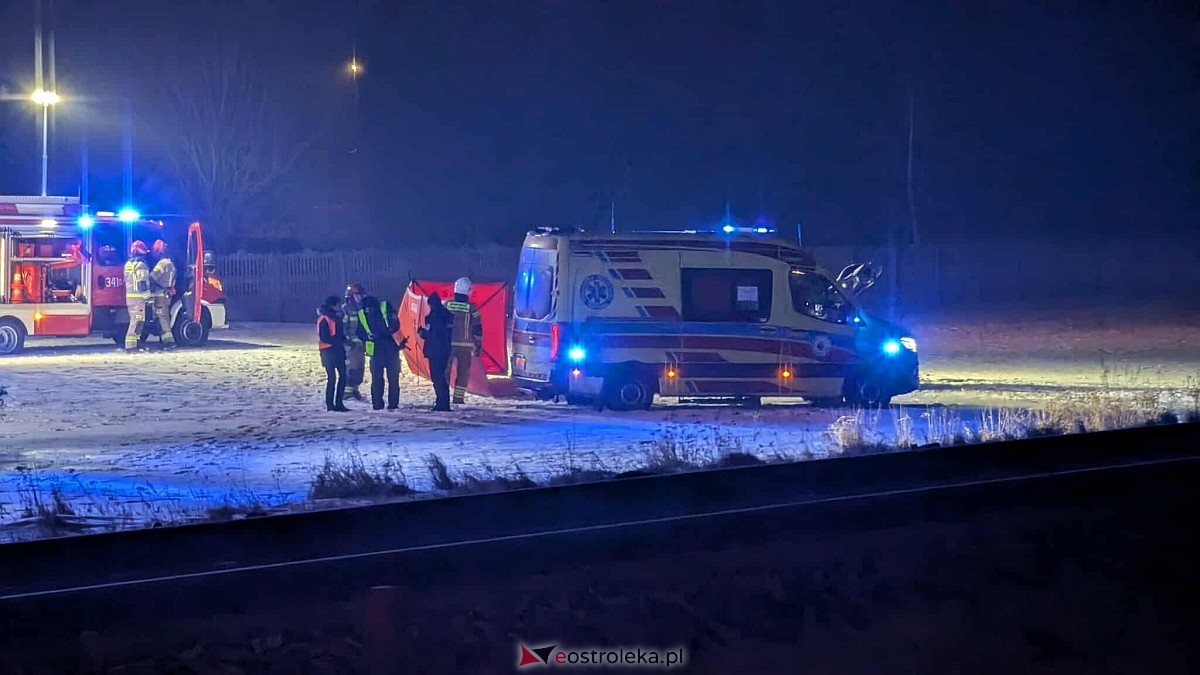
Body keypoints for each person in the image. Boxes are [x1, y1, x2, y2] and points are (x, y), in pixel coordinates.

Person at [356, 295, 409, 410]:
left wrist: (369, 337)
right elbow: (396, 325)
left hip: (376, 350)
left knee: (377, 380)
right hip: (391, 349)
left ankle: (377, 405)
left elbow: (359, 332)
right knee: (393, 379)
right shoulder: (385, 307)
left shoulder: (361, 313)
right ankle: (393, 404)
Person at [445, 277, 483, 405]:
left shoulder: (447, 305)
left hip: (448, 344)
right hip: (465, 346)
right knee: (463, 373)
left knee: (445, 371)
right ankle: (458, 399)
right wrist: (478, 344)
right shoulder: (472, 309)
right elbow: (477, 329)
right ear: (468, 291)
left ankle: (443, 396)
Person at [418, 293, 454, 411]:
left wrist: (421, 332)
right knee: (441, 376)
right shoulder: (448, 315)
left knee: (437, 377)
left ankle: (441, 403)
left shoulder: (433, 316)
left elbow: (430, 334)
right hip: (445, 350)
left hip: (435, 351)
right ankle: (444, 402)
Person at [318, 295, 349, 412]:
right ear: (333, 305)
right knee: (332, 378)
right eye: (338, 304)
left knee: (342, 376)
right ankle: (330, 405)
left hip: (337, 350)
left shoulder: (336, 317)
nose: (340, 306)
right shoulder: (325, 318)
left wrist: (344, 340)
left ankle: (339, 403)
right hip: (328, 351)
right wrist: (339, 341)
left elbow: (338, 333)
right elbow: (324, 337)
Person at [122, 240, 152, 353]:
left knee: (137, 320)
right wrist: (148, 298)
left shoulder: (128, 264)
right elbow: (142, 283)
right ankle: (131, 346)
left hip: (130, 297)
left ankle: (136, 343)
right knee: (137, 321)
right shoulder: (141, 265)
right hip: (138, 298)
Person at [148, 239, 177, 350]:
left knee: (161, 318)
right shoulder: (171, 264)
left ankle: (169, 342)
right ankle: (165, 340)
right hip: (167, 295)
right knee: (164, 317)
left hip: (160, 295)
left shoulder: (162, 264)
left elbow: (152, 277)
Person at [341, 283, 368, 401]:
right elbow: (343, 328)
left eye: (362, 295)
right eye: (359, 295)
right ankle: (347, 393)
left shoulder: (362, 308)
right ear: (351, 296)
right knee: (351, 368)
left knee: (359, 368)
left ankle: (354, 389)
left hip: (361, 344)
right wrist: (347, 341)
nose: (361, 297)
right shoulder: (345, 309)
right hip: (351, 344)